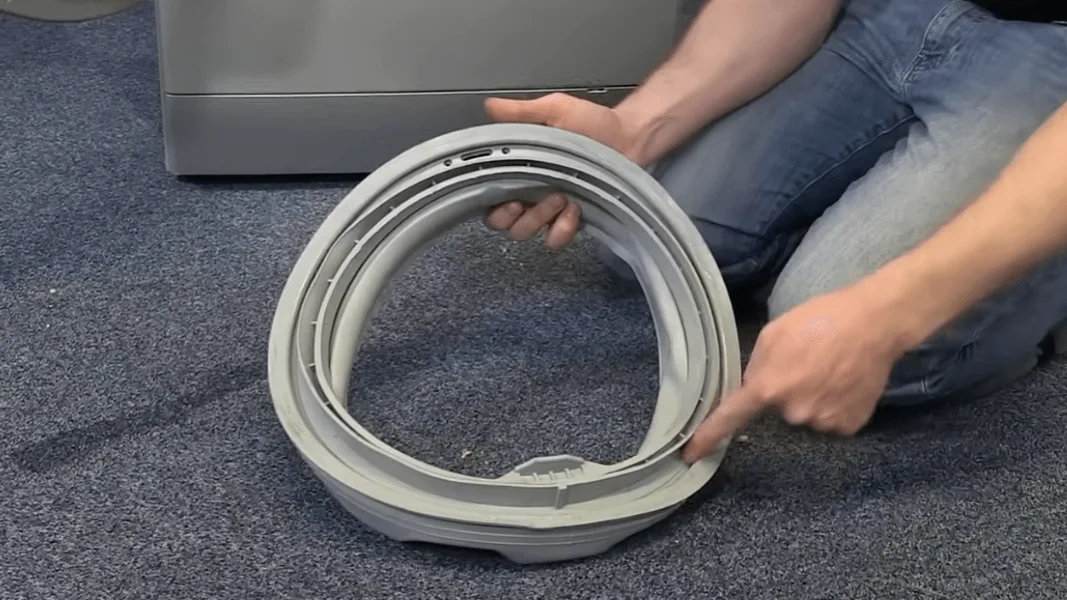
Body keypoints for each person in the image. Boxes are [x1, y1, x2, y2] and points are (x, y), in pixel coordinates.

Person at [480, 0, 1067, 462]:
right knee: (644, 229)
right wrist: (635, 129)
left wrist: (890, 312)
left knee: (846, 335)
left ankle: (1035, 294)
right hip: (902, 13)